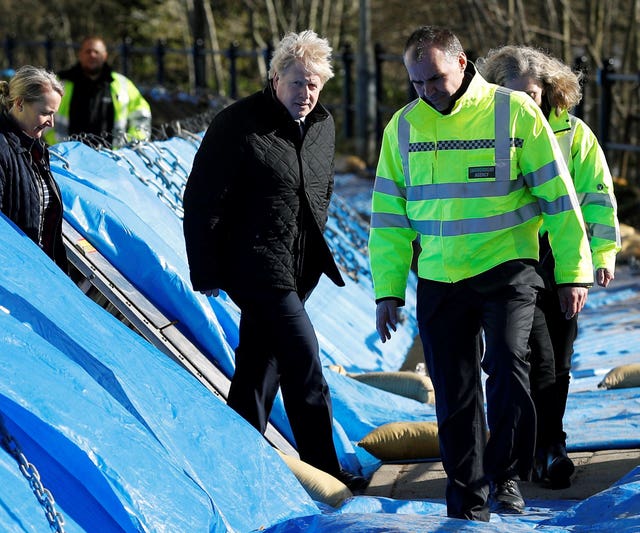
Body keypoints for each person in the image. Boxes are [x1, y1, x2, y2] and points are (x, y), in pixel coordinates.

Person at [369, 26, 593, 520]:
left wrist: (574, 271)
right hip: (439, 278)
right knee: (454, 392)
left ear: (463, 62)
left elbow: (559, 200)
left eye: (436, 78)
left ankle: (506, 476)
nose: (428, 91)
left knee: (511, 370)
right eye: (417, 82)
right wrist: (387, 290)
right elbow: (388, 218)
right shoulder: (402, 128)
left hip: (508, 269)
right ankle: (467, 498)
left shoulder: (515, 114)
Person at [182, 30, 368, 492]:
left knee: (259, 369)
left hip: (298, 266)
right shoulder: (237, 124)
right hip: (254, 265)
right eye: (298, 83)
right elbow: (202, 199)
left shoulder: (322, 125)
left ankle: (234, 464)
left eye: (314, 85)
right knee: (305, 362)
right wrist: (205, 269)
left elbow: (320, 188)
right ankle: (326, 470)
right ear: (274, 77)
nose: (306, 94)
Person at [477, 45, 621, 489]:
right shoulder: (486, 132)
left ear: (549, 91)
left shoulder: (575, 137)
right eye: (514, 94)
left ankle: (547, 445)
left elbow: (597, 196)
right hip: (511, 259)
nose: (525, 103)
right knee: (527, 356)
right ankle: (528, 448)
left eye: (532, 94)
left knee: (558, 357)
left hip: (562, 257)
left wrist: (601, 255)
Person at [0, 65, 67, 271]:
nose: (52, 123)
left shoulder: (35, 148)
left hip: (35, 271)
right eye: (46, 113)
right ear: (19, 103)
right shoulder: (3, 147)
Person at [45, 36, 151, 147]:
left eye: (96, 52)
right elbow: (42, 113)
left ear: (105, 56)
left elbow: (141, 115)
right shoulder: (60, 84)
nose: (92, 55)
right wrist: (56, 145)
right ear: (80, 55)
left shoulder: (122, 84)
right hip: (68, 158)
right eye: (88, 51)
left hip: (111, 158)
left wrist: (132, 146)